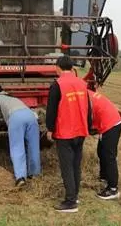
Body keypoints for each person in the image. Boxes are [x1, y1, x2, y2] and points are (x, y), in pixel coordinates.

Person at [45, 55, 93, 213]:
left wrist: (49, 129)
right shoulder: (82, 83)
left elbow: (51, 111)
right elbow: (88, 108)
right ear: (72, 68)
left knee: (67, 167)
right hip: (81, 131)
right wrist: (89, 127)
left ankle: (70, 202)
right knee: (76, 165)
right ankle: (75, 195)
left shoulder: (57, 85)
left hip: (65, 132)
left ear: (58, 67)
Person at [0, 84, 41, 186]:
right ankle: (34, 174)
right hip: (30, 115)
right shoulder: (12, 97)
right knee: (33, 146)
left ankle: (20, 177)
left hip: (16, 117)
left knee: (17, 147)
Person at [88, 85, 121, 200]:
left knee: (109, 156)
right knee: (101, 151)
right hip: (109, 122)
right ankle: (104, 176)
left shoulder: (85, 99)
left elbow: (87, 118)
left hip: (111, 124)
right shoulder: (87, 93)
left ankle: (113, 189)